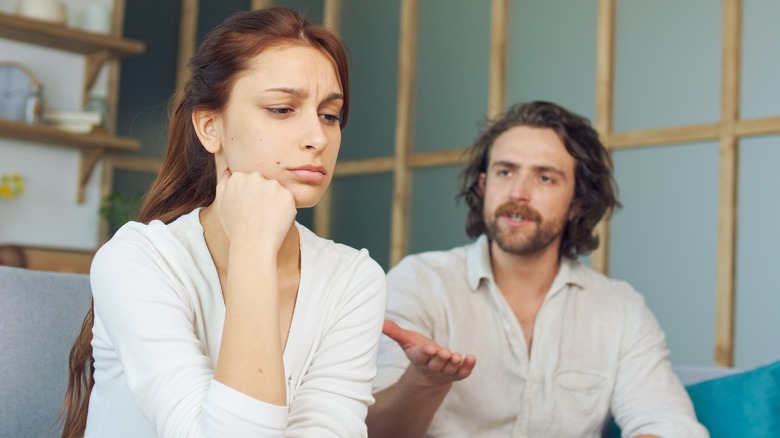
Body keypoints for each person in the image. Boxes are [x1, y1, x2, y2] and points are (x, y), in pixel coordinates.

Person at [61, 7, 386, 438]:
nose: (319, 138)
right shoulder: (137, 259)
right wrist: (254, 248)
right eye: (282, 108)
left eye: (330, 115)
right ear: (210, 127)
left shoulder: (353, 278)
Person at [366, 101, 708, 437]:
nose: (518, 192)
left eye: (544, 178)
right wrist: (424, 383)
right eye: (505, 171)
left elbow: (668, 423)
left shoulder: (621, 310)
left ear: (577, 203)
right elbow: (369, 432)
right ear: (484, 186)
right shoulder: (420, 282)